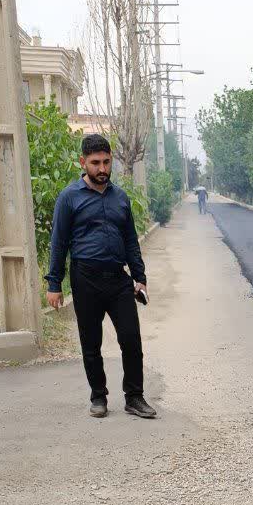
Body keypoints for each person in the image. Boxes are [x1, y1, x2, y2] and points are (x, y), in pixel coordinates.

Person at [45, 134, 156, 420]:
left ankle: (134, 397)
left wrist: (139, 276)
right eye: (95, 163)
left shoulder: (120, 197)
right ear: (82, 162)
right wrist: (54, 284)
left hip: (118, 280)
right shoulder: (69, 198)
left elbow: (130, 239)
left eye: (106, 162)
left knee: (131, 339)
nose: (102, 168)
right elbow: (58, 242)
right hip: (85, 279)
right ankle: (98, 396)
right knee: (91, 342)